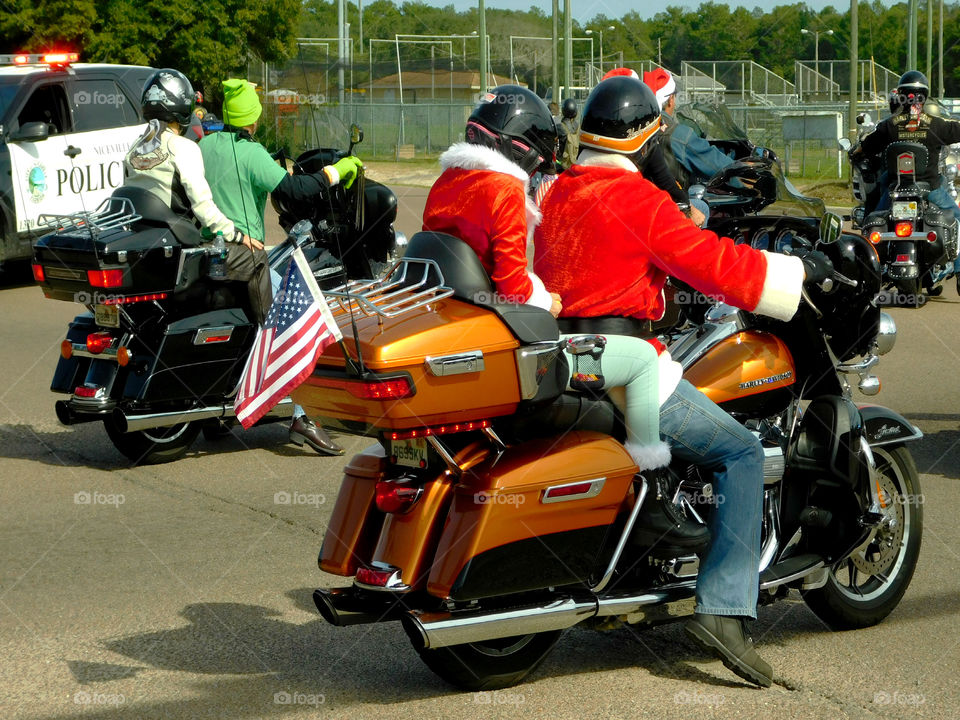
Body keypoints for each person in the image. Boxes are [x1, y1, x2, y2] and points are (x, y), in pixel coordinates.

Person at [533, 74, 834, 688]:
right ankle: (723, 610)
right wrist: (796, 271)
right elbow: (713, 264)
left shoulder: (558, 192)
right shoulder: (638, 201)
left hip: (563, 357)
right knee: (741, 451)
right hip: (625, 364)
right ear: (644, 141)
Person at [422, 85, 704, 543]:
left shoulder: (447, 183)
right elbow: (513, 284)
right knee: (640, 361)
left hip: (468, 329)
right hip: (519, 339)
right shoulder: (505, 190)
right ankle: (651, 490)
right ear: (523, 145)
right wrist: (546, 300)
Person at [199, 78, 363, 456]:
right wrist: (339, 171)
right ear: (253, 120)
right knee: (298, 319)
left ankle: (231, 408)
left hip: (212, 253)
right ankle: (303, 418)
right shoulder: (251, 152)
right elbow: (295, 191)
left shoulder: (205, 145)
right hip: (245, 256)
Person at [123, 69, 268, 323]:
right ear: (183, 106)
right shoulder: (184, 147)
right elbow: (203, 207)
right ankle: (268, 338)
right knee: (256, 258)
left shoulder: (134, 149)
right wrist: (237, 234)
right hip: (183, 252)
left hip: (150, 248)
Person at [852, 70, 960, 283]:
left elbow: (865, 148)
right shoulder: (936, 124)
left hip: (895, 189)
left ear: (901, 94)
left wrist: (856, 151)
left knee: (872, 219)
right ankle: (959, 269)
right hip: (929, 189)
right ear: (925, 96)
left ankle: (868, 270)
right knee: (957, 219)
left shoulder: (890, 125)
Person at [601, 68, 706, 227]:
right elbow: (665, 179)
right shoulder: (647, 135)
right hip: (637, 209)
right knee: (701, 207)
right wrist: (688, 208)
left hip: (609, 206)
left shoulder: (593, 132)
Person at [643, 68, 735, 189]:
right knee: (703, 202)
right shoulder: (678, 135)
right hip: (672, 203)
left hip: (640, 198)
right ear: (671, 100)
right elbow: (719, 167)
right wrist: (743, 171)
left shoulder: (636, 127)